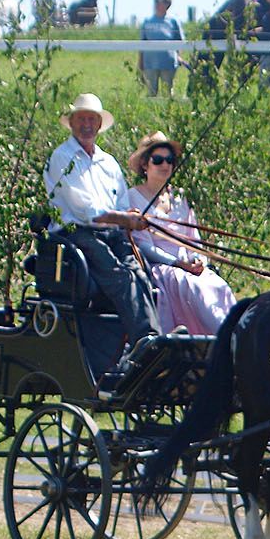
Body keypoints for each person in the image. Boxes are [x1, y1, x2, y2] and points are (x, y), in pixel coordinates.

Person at [43, 93, 161, 373]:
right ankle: (144, 343)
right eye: (81, 119)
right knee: (120, 277)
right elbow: (86, 212)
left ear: (98, 125)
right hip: (75, 234)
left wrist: (129, 219)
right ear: (72, 123)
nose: (86, 125)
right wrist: (124, 219)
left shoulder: (108, 163)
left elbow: (121, 204)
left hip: (111, 233)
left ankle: (153, 341)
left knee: (141, 273)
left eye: (91, 120)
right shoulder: (62, 157)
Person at [124, 131, 238, 335]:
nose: (165, 165)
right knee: (193, 287)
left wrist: (198, 259)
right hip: (162, 268)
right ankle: (222, 338)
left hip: (188, 265)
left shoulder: (179, 198)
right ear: (145, 165)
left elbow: (193, 237)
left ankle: (234, 334)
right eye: (158, 160)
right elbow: (143, 245)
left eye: (169, 160)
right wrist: (177, 263)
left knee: (218, 285)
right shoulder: (133, 197)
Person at [140, 0, 184, 98]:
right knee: (151, 93)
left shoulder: (173, 21)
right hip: (150, 63)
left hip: (168, 63)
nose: (158, 4)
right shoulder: (147, 21)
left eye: (162, 1)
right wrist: (140, 62)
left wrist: (178, 56)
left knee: (167, 93)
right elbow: (142, 43)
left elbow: (180, 41)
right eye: (156, 1)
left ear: (167, 3)